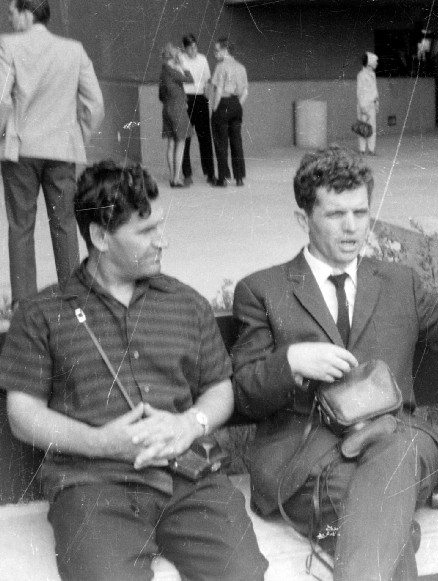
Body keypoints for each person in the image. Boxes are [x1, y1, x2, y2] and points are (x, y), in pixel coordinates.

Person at [230, 145, 438, 581]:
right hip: (310, 461)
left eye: (360, 212)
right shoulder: (263, 290)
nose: (352, 226)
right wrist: (291, 362)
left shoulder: (399, 282)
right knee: (385, 517)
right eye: (336, 214)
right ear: (303, 219)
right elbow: (245, 392)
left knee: (387, 471)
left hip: (398, 443)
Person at [0, 161, 268, 581]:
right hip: (92, 486)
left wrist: (189, 424)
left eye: (161, 226)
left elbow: (220, 388)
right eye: (146, 231)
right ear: (100, 236)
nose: (163, 240)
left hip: (189, 478)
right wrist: (98, 441)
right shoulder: (42, 314)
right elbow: (22, 413)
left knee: (242, 573)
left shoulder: (186, 303)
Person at [0, 0, 104, 306]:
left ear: (25, 13)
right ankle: (73, 299)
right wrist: (77, 137)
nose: (9, 20)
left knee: (21, 226)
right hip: (61, 149)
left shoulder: (7, 45)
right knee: (64, 223)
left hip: (21, 151)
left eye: (11, 13)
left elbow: (1, 100)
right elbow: (96, 105)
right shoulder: (74, 49)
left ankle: (24, 305)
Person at [210, 37, 248, 187]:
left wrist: (215, 108)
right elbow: (245, 92)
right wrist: (237, 105)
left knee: (221, 142)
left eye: (217, 50)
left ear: (225, 50)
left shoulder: (221, 67)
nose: (215, 53)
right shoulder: (241, 67)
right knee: (236, 141)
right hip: (236, 104)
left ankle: (223, 177)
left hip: (223, 104)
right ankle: (239, 177)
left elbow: (218, 90)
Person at [180, 33, 215, 186]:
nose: (193, 51)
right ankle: (187, 174)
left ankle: (210, 173)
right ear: (184, 48)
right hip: (186, 99)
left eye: (195, 47)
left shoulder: (203, 59)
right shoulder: (180, 60)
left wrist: (208, 99)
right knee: (185, 139)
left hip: (201, 99)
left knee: (205, 138)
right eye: (190, 48)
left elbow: (207, 81)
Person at [158, 43, 193, 188]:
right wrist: (183, 65)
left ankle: (172, 177)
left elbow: (161, 96)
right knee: (181, 142)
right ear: (173, 58)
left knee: (171, 143)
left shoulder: (163, 72)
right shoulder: (173, 71)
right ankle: (177, 178)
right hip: (178, 109)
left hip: (167, 109)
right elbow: (190, 79)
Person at [356, 51, 379, 154]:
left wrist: (376, 102)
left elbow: (374, 90)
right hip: (364, 105)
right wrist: (362, 106)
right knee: (363, 126)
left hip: (372, 104)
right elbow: (359, 92)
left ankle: (371, 149)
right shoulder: (361, 75)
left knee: (372, 127)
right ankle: (362, 149)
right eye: (375, 62)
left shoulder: (373, 74)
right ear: (369, 63)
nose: (376, 63)